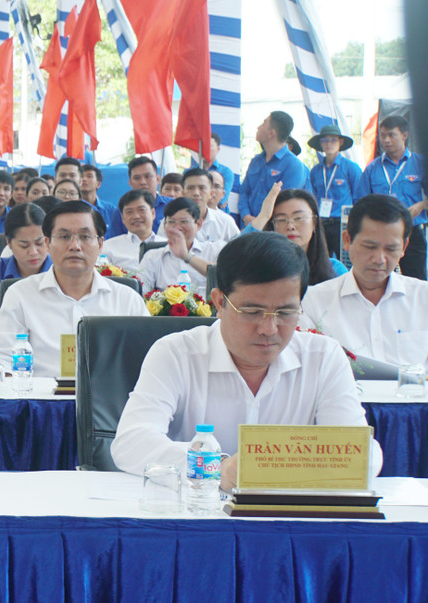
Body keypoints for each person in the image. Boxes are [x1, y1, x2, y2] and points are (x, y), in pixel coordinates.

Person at [112, 232, 382, 483]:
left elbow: (364, 453)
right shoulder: (175, 353)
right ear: (218, 302)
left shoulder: (323, 357)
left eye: (286, 313)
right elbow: (132, 442)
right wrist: (219, 468)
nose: (269, 329)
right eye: (252, 311)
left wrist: (283, 467)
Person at [0, 200, 148, 377]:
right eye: (64, 237)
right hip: (39, 400)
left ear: (101, 244)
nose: (75, 246)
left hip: (108, 403)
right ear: (48, 243)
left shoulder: (127, 300)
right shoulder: (20, 295)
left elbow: (147, 360)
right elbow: (1, 360)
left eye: (85, 237)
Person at [302, 195, 428, 366]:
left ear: (404, 248)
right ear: (347, 240)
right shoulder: (314, 302)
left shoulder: (423, 298)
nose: (379, 259)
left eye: (391, 249)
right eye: (370, 246)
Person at [354, 115, 425, 280]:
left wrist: (422, 204)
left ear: (405, 135)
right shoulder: (372, 168)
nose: (386, 140)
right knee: (381, 280)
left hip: (412, 233)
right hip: (380, 234)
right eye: (383, 135)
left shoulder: (420, 164)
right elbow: (360, 201)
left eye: (391, 135)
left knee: (416, 281)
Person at [245, 187, 346, 283]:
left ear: (314, 222)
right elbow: (233, 262)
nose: (290, 226)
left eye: (299, 218)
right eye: (281, 220)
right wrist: (263, 217)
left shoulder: (335, 270)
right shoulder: (262, 270)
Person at [0, 203, 52, 317]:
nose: (33, 252)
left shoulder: (61, 271)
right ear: (9, 242)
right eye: (24, 245)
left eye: (40, 243)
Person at [137, 198, 223, 294]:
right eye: (171, 222)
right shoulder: (152, 257)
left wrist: (187, 256)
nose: (177, 228)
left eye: (184, 222)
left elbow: (225, 276)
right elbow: (140, 293)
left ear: (198, 224)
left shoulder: (214, 250)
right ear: (164, 225)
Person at [239, 110, 309, 227]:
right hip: (248, 227)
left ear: (271, 133)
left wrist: (261, 222)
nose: (258, 127)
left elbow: (286, 203)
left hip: (273, 231)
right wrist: (246, 216)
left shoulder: (293, 165)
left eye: (263, 123)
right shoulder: (256, 161)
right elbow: (244, 191)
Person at [306, 125, 362, 232]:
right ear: (320, 143)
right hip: (321, 221)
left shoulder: (351, 168)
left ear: (341, 142)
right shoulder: (315, 171)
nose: (329, 143)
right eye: (324, 140)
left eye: (333, 140)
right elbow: (312, 197)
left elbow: (359, 198)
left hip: (342, 222)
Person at [99, 190, 163, 275]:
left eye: (141, 210)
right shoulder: (108, 247)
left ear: (153, 213)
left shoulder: (167, 246)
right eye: (129, 212)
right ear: (123, 218)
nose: (136, 216)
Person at [105, 157, 169, 239]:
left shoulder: (173, 206)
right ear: (130, 183)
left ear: (158, 179)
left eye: (148, 176)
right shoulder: (121, 212)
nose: (143, 182)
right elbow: (115, 243)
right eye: (137, 178)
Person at [182, 168, 240, 244]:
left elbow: (240, 251)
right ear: (182, 193)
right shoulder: (171, 221)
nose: (196, 193)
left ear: (211, 193)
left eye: (202, 188)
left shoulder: (225, 222)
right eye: (191, 188)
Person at [77, 162, 119, 228]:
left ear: (98, 184)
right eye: (81, 176)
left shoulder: (110, 209)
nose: (84, 179)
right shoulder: (73, 209)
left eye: (89, 176)